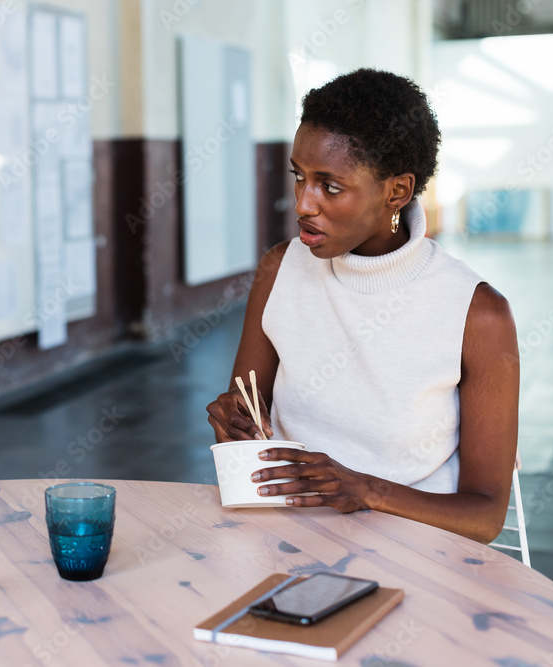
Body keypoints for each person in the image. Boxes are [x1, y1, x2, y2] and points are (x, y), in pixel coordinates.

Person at [206, 69, 518, 544]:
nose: (304, 204)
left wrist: (366, 490)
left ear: (397, 191)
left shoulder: (477, 314)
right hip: (288, 536)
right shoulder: (279, 271)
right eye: (299, 177)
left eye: (330, 186)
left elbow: (484, 517)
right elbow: (247, 410)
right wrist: (234, 421)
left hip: (418, 552)